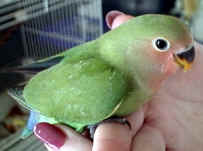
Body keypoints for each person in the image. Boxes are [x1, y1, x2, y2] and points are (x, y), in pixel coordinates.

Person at [33, 11, 203, 151]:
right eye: (161, 44)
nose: (187, 57)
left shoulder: (146, 74)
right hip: (44, 104)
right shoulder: (112, 81)